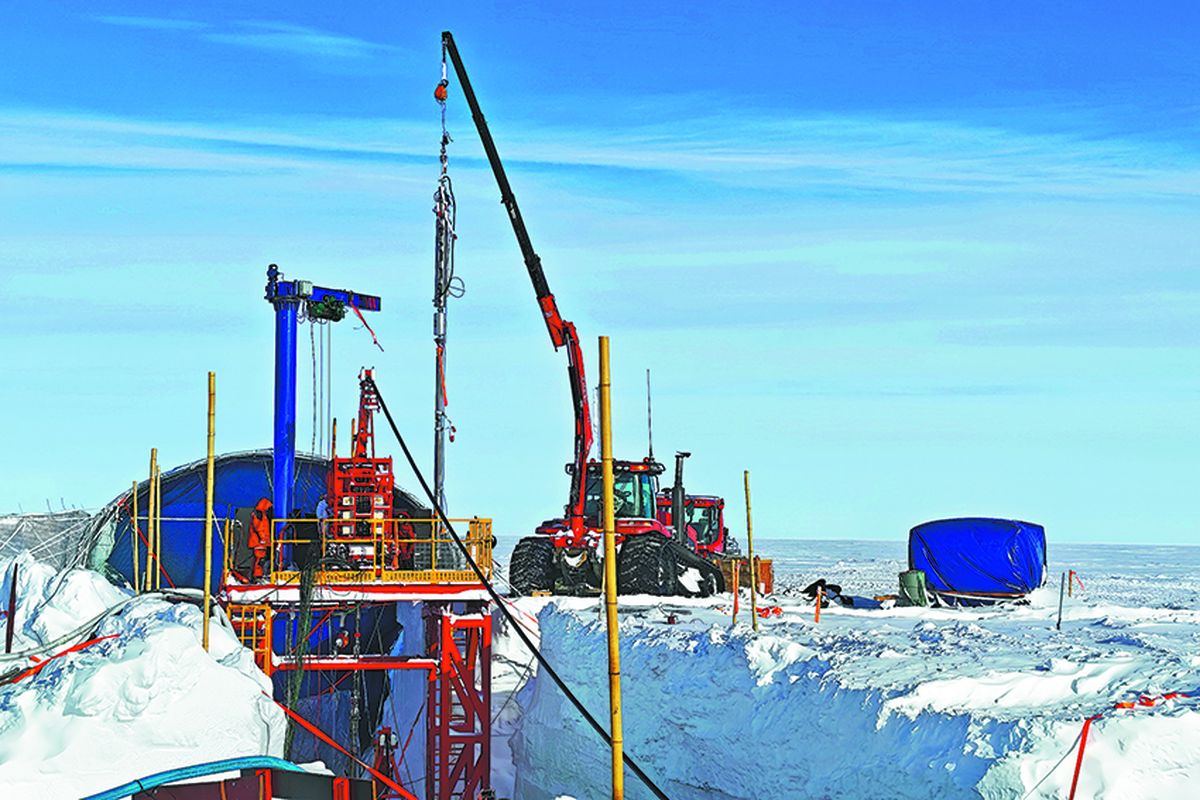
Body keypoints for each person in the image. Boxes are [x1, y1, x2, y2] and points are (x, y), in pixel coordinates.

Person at [248, 497, 273, 582]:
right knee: (260, 560)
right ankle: (257, 577)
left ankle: (257, 576)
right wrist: (263, 539)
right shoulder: (260, 515)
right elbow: (259, 527)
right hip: (260, 542)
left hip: (259, 541)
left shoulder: (259, 514)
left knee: (259, 560)